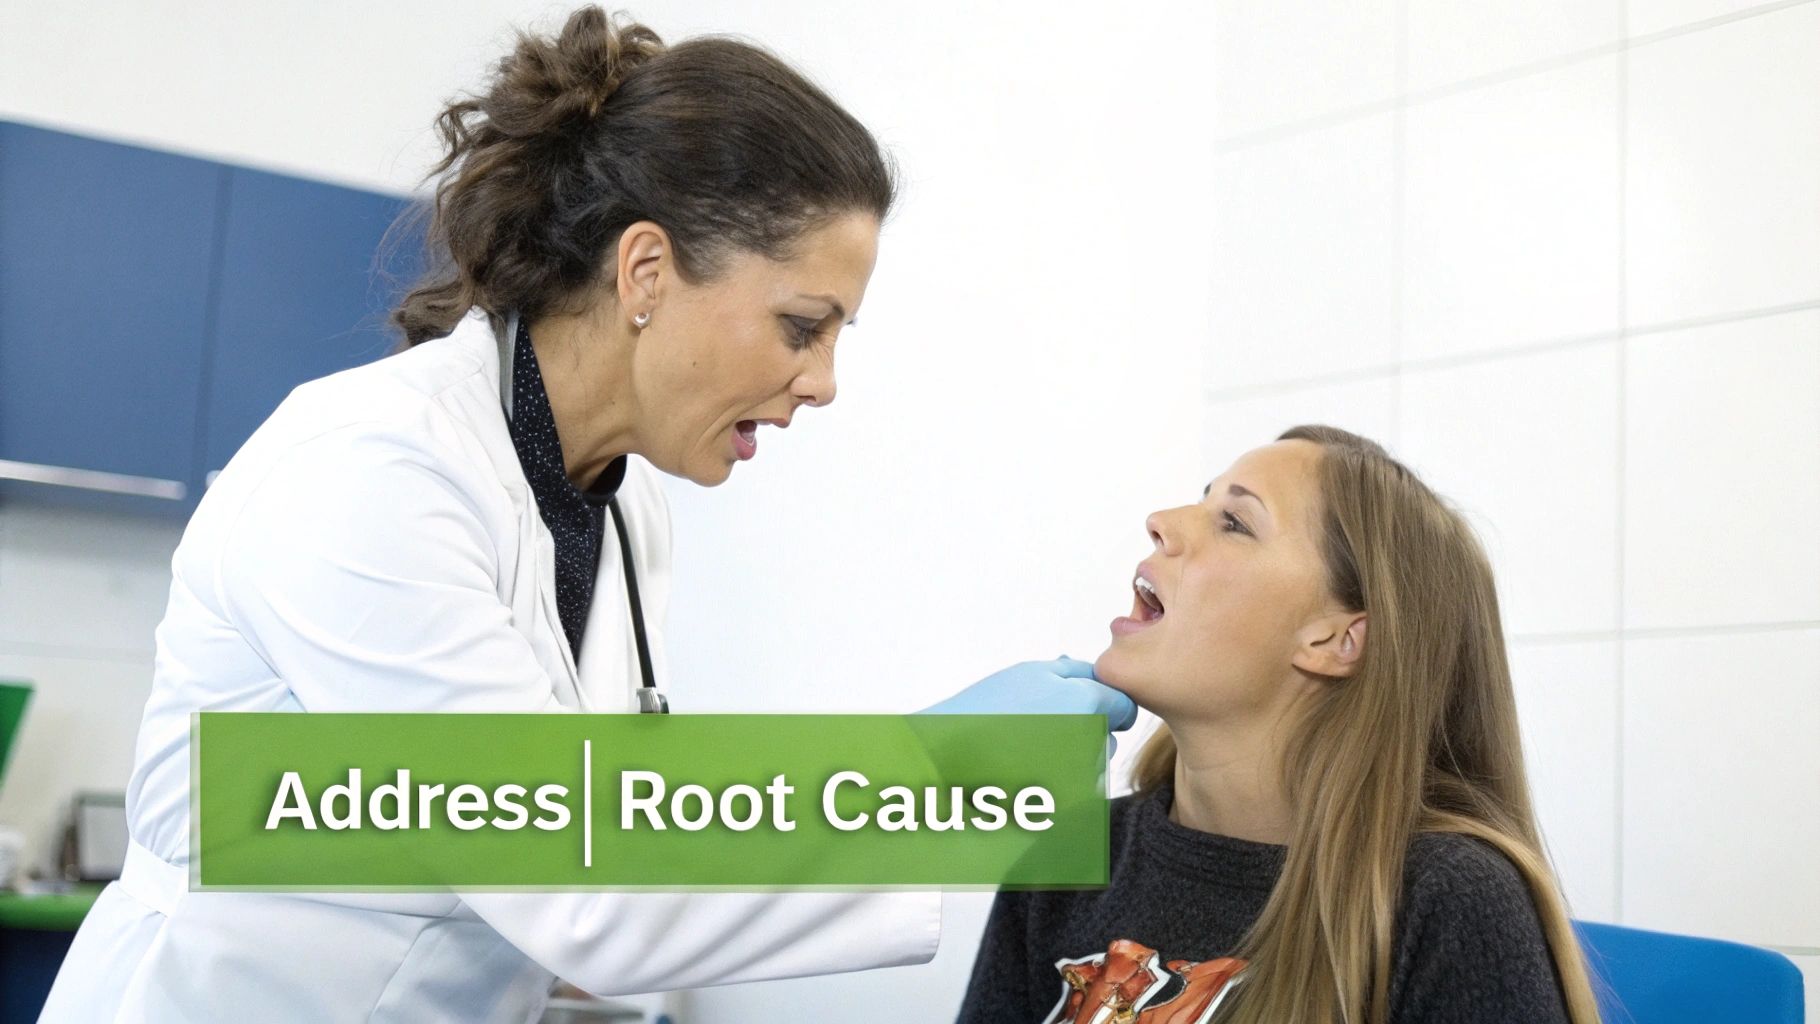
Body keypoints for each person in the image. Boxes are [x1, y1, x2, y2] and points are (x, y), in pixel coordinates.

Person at [41, 8, 1134, 1022]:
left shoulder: (616, 506)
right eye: (803, 325)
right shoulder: (371, 476)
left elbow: (588, 830)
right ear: (646, 269)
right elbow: (574, 870)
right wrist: (925, 774)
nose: (823, 382)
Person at [957, 425, 1602, 1024]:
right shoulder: (1065, 854)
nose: (1160, 522)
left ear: (1336, 639)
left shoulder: (1445, 898)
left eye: (1234, 522)